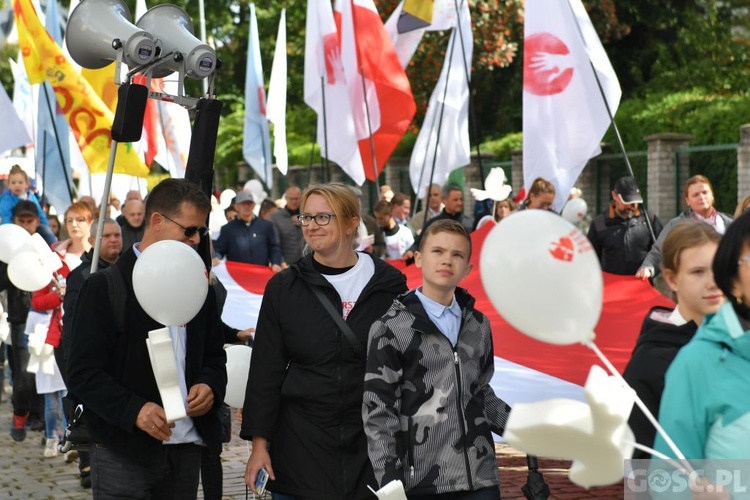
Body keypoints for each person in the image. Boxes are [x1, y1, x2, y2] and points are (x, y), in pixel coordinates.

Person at [241, 182, 408, 499]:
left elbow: (408, 362)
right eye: (306, 217)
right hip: (301, 446)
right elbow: (266, 369)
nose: (312, 226)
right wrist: (259, 446)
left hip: (372, 448)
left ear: (351, 222)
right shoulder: (284, 288)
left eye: (323, 217)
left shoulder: (389, 283)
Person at [66, 178, 227, 498]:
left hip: (187, 448)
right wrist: (134, 410)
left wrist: (209, 384)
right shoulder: (105, 287)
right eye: (190, 230)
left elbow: (213, 355)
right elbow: (82, 372)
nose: (197, 240)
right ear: (157, 221)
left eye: (201, 232)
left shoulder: (199, 283)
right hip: (123, 449)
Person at [363, 219, 511, 498]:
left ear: (467, 268)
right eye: (438, 251)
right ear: (418, 258)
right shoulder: (390, 328)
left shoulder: (478, 325)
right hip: (422, 482)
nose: (447, 260)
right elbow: (379, 412)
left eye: (457, 255)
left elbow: (480, 393)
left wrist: (527, 430)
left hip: (480, 479)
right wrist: (390, 484)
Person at [653, 211, 750, 461]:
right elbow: (656, 480)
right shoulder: (695, 363)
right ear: (733, 281)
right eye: (697, 272)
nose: (709, 283)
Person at [622, 221, 722, 459]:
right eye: (698, 272)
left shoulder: (738, 342)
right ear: (672, 279)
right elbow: (642, 467)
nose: (713, 282)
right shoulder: (650, 362)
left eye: (719, 269)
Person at [60, 218, 122, 488]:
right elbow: (72, 325)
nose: (113, 240)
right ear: (94, 240)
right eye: (106, 236)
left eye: (116, 235)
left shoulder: (127, 271)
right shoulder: (82, 275)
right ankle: (89, 466)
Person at [1, 201, 43, 442]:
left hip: (45, 315)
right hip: (19, 319)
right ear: (15, 222)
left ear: (37, 221)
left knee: (43, 372)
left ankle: (38, 415)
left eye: (30, 221)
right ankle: (21, 413)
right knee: (24, 374)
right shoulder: (7, 249)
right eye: (21, 221)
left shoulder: (44, 244)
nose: (26, 226)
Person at [637, 175, 733, 280]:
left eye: (705, 192)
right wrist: (648, 267)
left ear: (712, 196)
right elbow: (659, 252)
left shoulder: (729, 223)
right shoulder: (677, 226)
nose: (701, 197)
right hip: (692, 287)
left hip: (726, 286)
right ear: (687, 201)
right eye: (696, 195)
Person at [586, 176, 664, 275]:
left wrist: (650, 269)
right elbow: (590, 259)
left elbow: (662, 252)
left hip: (642, 285)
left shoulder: (650, 220)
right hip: (612, 286)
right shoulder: (599, 224)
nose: (631, 206)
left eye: (635, 202)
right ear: (614, 196)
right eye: (627, 201)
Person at [213, 191, 282, 271]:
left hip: (261, 275)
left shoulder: (266, 226)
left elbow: (274, 248)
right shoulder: (228, 229)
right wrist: (216, 257)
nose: (247, 207)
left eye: (249, 203)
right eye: (243, 204)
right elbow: (219, 249)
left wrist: (276, 263)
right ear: (236, 206)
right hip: (237, 277)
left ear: (254, 205)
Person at [403, 185, 473, 261]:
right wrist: (411, 251)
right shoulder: (433, 224)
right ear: (444, 200)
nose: (459, 203)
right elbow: (419, 243)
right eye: (455, 200)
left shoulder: (469, 222)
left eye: (461, 199)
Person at [0, 164, 56, 244]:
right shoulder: (6, 200)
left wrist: (45, 225)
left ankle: (54, 246)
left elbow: (40, 213)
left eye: (20, 182)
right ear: (8, 185)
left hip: (34, 228)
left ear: (27, 184)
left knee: (46, 232)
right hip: (13, 227)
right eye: (13, 183)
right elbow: (6, 218)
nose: (17, 185)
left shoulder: (31, 196)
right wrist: (10, 232)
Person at [52, 201, 95, 270]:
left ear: (91, 223)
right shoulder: (54, 253)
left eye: (80, 220)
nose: (74, 224)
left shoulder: (101, 253)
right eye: (69, 220)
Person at [270, 186, 305, 266]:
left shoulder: (308, 216)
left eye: (296, 199)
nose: (294, 201)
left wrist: (303, 223)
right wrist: (281, 261)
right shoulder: (276, 217)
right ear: (286, 198)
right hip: (286, 264)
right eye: (291, 199)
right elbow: (275, 243)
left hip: (306, 263)